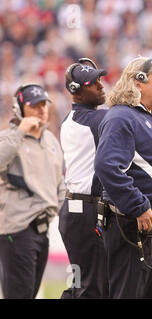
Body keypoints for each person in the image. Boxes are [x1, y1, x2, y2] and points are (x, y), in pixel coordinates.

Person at [59, 57, 152, 299]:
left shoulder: (148, 116)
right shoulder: (120, 117)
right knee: (98, 290)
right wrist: (139, 207)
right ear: (138, 83)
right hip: (131, 223)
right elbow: (107, 166)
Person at [0, 84, 65, 299]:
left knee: (30, 293)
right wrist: (20, 131)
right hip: (18, 229)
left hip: (42, 230)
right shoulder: (9, 137)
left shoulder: (51, 140)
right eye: (34, 105)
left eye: (44, 104)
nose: (41, 110)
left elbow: (60, 182)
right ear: (20, 108)